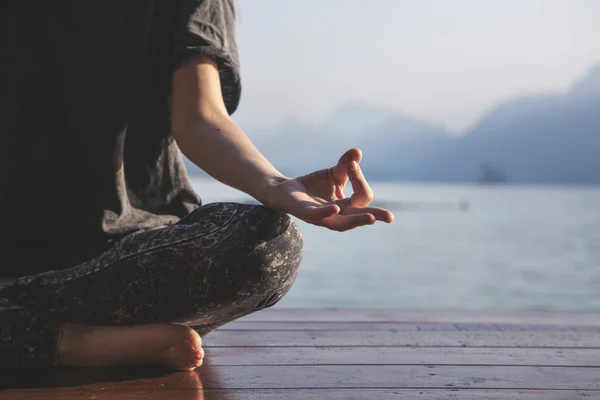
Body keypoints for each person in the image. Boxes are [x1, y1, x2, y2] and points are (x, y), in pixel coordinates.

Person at [0, 0, 394, 371]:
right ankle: (77, 343)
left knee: (271, 244)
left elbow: (200, 117)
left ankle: (32, 333)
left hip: (132, 261)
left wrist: (275, 186)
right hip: (15, 262)